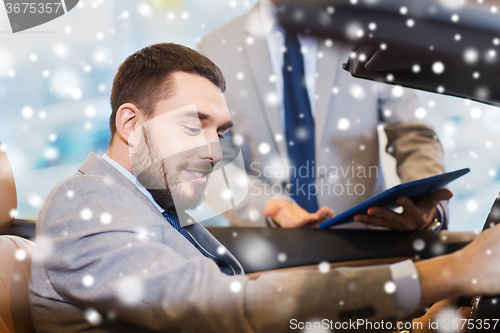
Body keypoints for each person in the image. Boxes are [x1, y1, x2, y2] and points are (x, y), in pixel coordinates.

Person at [29, 43, 500, 332]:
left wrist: (411, 324)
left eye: (221, 132)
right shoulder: (84, 206)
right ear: (131, 124)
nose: (215, 154)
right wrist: (445, 274)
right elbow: (223, 307)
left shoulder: (154, 204)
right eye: (195, 125)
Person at [197, 0, 451, 229]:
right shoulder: (214, 48)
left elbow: (412, 133)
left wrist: (426, 205)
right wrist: (271, 206)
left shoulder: (370, 35)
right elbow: (211, 162)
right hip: (268, 247)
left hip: (365, 243)